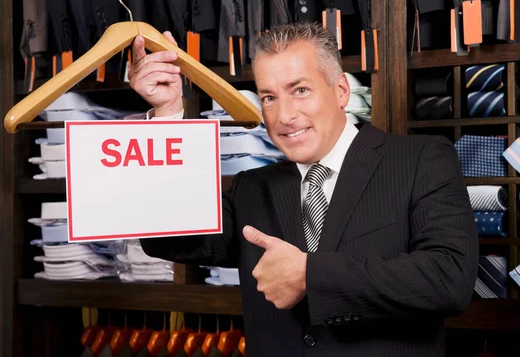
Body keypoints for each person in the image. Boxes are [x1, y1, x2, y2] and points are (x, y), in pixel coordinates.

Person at [130, 22, 479, 356]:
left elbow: (449, 280)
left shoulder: (420, 159)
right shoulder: (252, 187)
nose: (283, 115)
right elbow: (169, 237)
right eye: (268, 97)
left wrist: (310, 275)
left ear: (341, 90)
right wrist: (167, 114)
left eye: (300, 90)